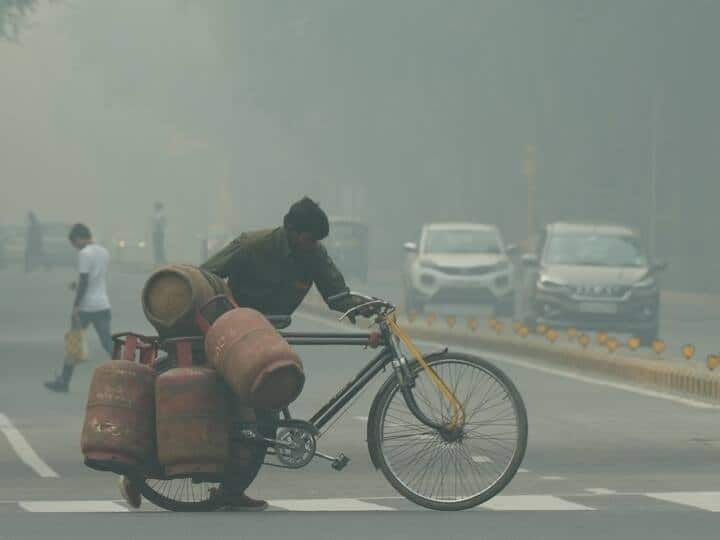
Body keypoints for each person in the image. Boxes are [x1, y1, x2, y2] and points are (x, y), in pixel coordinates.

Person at [118, 197, 369, 512]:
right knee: (215, 412)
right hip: (231, 336)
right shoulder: (253, 245)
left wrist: (364, 306)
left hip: (268, 340)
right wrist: (230, 313)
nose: (313, 245)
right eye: (308, 238)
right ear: (291, 230)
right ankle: (139, 471)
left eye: (316, 241)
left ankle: (231, 491)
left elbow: (336, 294)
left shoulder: (313, 254)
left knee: (265, 420)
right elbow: (206, 277)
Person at [44, 224, 113, 393]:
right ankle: (130, 373)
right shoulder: (104, 252)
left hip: (86, 308)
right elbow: (93, 279)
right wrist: (77, 285)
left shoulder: (84, 253)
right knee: (108, 344)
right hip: (103, 305)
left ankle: (64, 382)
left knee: (74, 343)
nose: (75, 247)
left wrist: (75, 305)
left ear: (79, 238)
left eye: (74, 243)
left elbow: (84, 280)